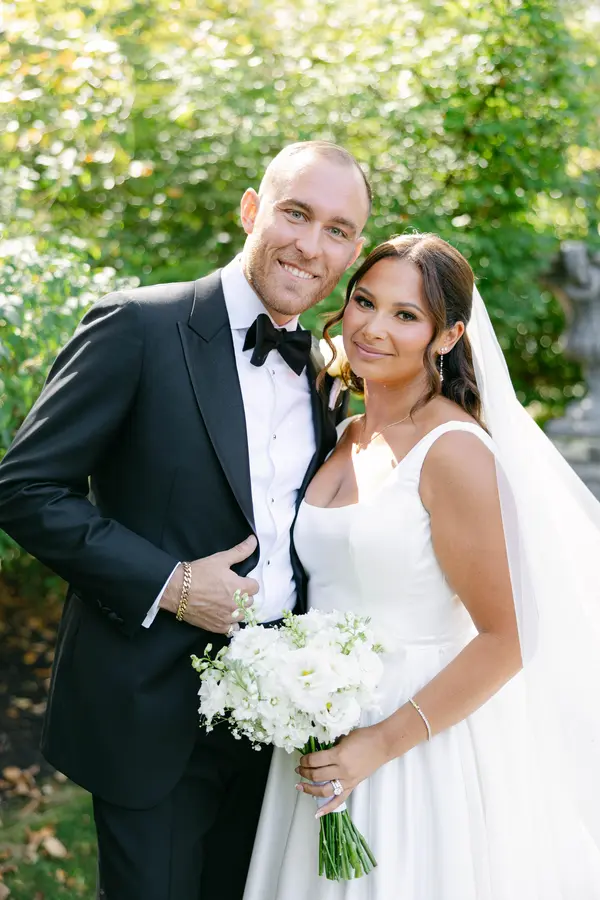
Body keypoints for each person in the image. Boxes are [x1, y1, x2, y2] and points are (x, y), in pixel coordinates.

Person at [0, 141, 371, 900]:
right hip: (150, 711)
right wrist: (169, 584)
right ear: (250, 210)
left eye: (336, 230)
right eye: (295, 213)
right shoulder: (138, 325)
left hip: (279, 726)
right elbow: (26, 488)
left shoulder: (326, 369)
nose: (311, 244)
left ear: (353, 251)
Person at [243, 233, 600, 899]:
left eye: (405, 315)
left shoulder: (453, 450)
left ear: (448, 335)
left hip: (413, 738)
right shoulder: (342, 433)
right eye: (364, 301)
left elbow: (508, 636)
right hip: (322, 725)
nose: (373, 328)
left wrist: (379, 743)